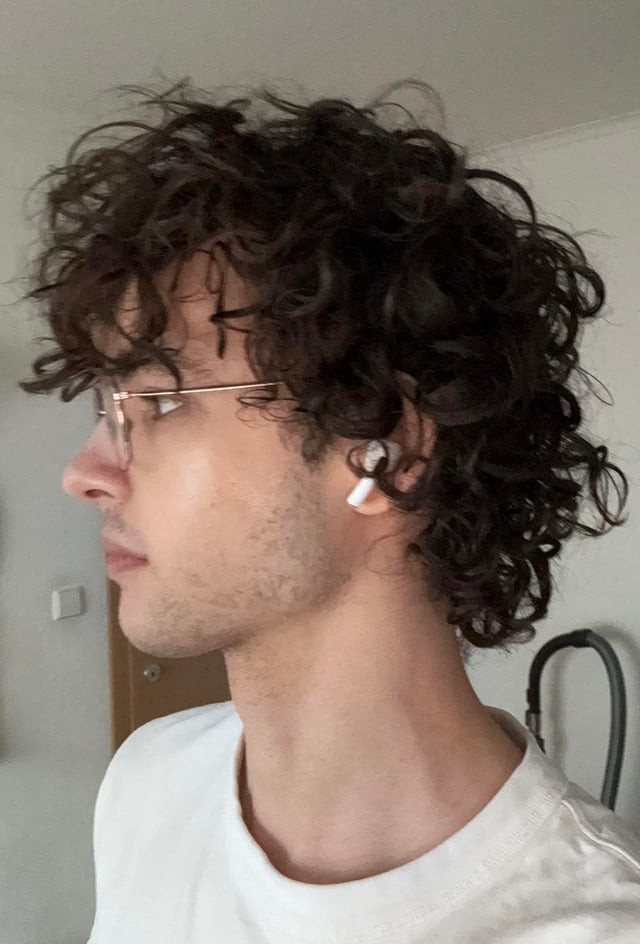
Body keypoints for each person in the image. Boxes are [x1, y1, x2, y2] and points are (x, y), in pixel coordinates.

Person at [20, 79, 640, 942]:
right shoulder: (149, 782)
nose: (84, 474)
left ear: (383, 448)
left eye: (158, 402)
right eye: (106, 409)